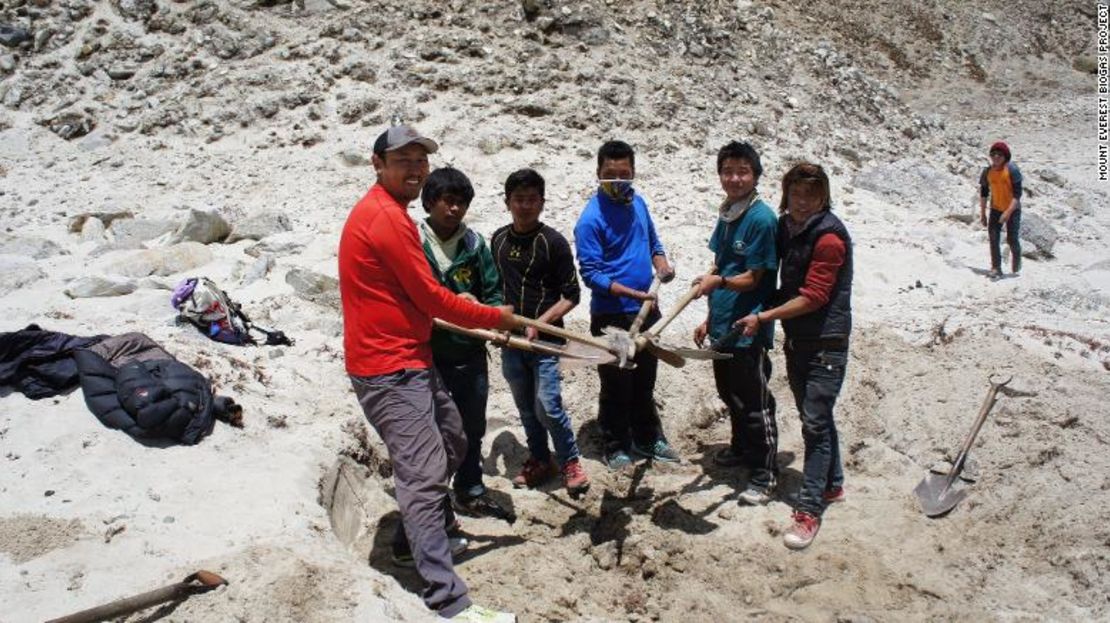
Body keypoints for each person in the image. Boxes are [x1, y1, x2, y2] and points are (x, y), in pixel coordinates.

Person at [338, 124, 518, 623]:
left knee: (453, 439)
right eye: (404, 160)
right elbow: (431, 298)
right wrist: (493, 316)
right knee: (421, 476)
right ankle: (447, 600)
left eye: (421, 160)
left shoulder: (392, 212)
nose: (415, 168)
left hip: (412, 357)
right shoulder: (387, 219)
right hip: (389, 367)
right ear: (378, 164)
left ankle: (407, 543)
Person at [735, 162, 851, 551]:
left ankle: (808, 509)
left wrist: (764, 316)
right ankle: (832, 486)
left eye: (811, 195)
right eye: (796, 194)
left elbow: (815, 295)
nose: (802, 202)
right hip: (798, 339)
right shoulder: (789, 228)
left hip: (826, 342)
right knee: (814, 417)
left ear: (823, 197)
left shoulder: (829, 237)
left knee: (815, 425)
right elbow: (773, 275)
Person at [574, 140, 677, 470]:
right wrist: (634, 295)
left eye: (625, 174)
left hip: (647, 312)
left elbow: (654, 244)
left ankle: (648, 437)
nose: (618, 180)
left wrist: (661, 265)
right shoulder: (590, 219)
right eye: (610, 174)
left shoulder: (639, 204)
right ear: (598, 174)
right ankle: (615, 443)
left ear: (633, 173)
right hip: (613, 316)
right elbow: (592, 275)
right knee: (617, 381)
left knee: (645, 377)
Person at [417, 167, 512, 520]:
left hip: (470, 352)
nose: (454, 209)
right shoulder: (414, 242)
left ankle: (470, 488)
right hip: (427, 353)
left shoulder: (474, 245)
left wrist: (484, 310)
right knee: (432, 429)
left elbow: (494, 292)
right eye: (447, 201)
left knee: (472, 425)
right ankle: (433, 498)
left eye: (461, 203)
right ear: (429, 202)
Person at [490, 169, 590, 496]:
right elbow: (496, 288)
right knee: (524, 406)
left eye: (532, 199)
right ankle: (538, 458)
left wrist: (540, 322)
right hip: (511, 342)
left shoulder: (554, 242)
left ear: (542, 202)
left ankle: (570, 461)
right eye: (519, 199)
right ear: (507, 203)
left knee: (546, 405)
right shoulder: (499, 240)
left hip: (546, 342)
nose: (525, 205)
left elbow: (572, 294)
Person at [692, 141, 780, 505]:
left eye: (743, 171)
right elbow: (722, 264)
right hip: (723, 324)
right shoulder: (728, 212)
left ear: (756, 175)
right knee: (730, 395)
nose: (735, 178)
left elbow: (755, 277)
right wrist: (709, 315)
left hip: (747, 327)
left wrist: (720, 283)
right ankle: (741, 449)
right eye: (728, 171)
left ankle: (765, 473)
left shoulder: (761, 219)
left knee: (755, 402)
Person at [978, 141, 1023, 278]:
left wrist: (1008, 212)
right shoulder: (987, 172)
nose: (996, 157)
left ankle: (1017, 255)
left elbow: (1017, 195)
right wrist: (983, 214)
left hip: (1013, 209)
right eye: (993, 154)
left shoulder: (1012, 170)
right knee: (993, 238)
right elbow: (984, 193)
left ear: (1005, 156)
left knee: (1011, 239)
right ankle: (996, 267)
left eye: (999, 154)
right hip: (996, 209)